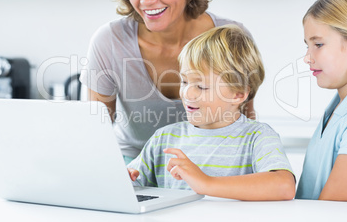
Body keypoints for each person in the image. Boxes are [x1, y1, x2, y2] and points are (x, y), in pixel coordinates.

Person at [79, 0, 255, 164]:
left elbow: (245, 121)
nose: (146, 0)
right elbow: (96, 132)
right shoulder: (109, 41)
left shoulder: (230, 38)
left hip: (211, 162)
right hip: (134, 166)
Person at [127, 25, 296, 201]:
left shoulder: (257, 137)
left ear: (238, 94)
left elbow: (284, 186)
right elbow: (133, 186)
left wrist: (206, 183)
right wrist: (125, 179)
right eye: (184, 82)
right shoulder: (164, 138)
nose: (187, 93)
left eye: (201, 86)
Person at [296, 0, 347, 202]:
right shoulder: (341, 106)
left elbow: (335, 211)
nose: (307, 58)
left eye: (318, 44)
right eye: (307, 46)